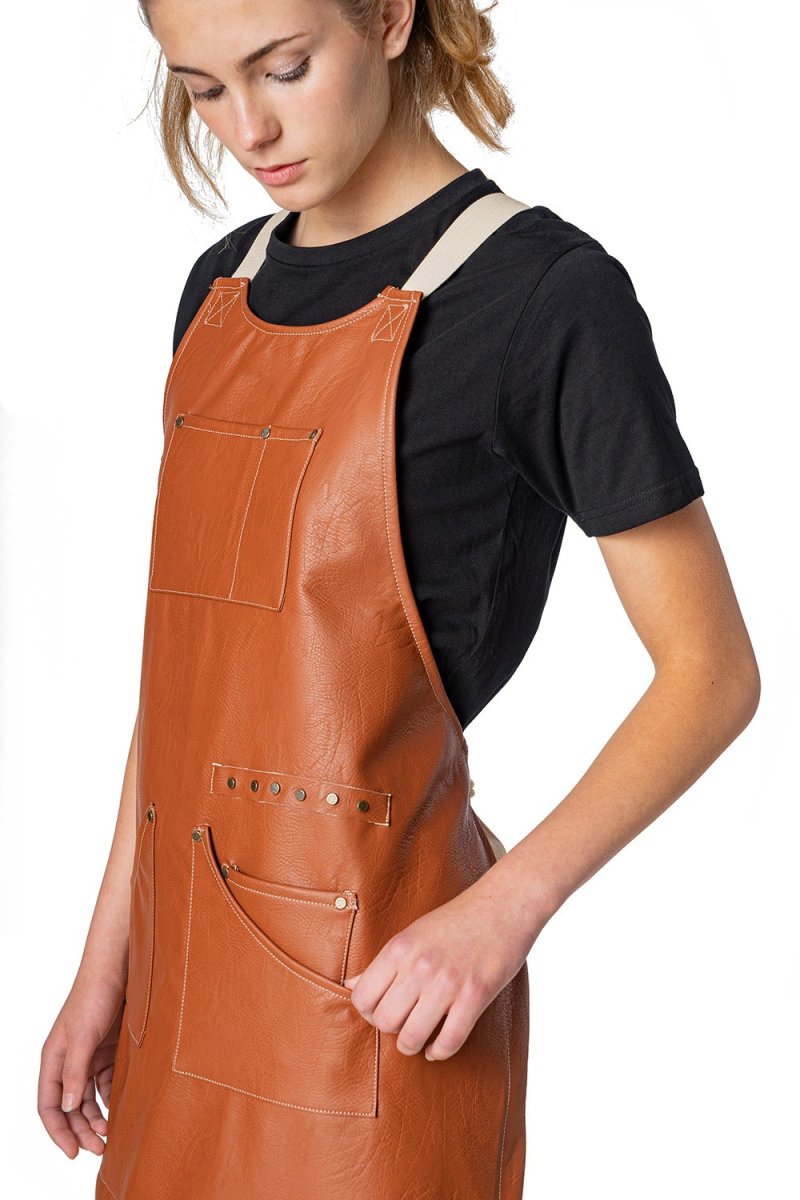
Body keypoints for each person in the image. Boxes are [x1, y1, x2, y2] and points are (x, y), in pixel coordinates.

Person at [37, 1, 761, 1197]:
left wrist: (501, 911)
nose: (247, 129)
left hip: (376, 997)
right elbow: (190, 685)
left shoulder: (542, 298)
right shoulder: (219, 291)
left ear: (385, 16)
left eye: (282, 68)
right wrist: (104, 964)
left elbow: (710, 673)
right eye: (203, 88)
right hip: (180, 989)